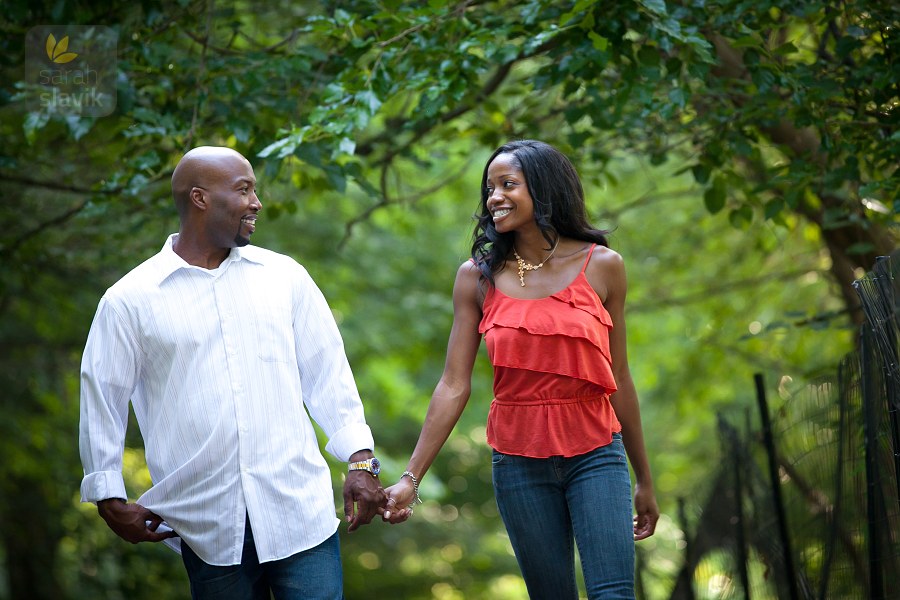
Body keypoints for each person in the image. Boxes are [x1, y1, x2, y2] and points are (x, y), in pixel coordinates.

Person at [79, 146, 386, 600]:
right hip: (206, 525)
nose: (256, 202)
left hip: (299, 513)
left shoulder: (285, 278)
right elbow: (102, 397)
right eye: (244, 190)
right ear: (201, 198)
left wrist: (360, 460)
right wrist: (108, 495)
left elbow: (329, 377)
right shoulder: (130, 300)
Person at [382, 140, 659, 599]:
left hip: (596, 450)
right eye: (489, 188)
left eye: (507, 184)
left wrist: (645, 478)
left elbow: (620, 378)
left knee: (613, 593)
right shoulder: (477, 276)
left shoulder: (604, 266)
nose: (494, 198)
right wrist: (411, 478)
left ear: (545, 189)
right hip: (518, 460)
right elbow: (453, 384)